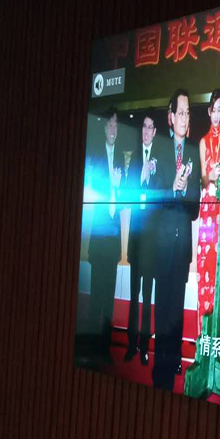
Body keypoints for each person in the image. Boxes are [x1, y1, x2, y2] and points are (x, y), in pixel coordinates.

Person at [152, 89, 201, 390]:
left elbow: (195, 210)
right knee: (163, 312)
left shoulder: (193, 151)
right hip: (161, 247)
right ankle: (160, 374)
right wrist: (171, 188)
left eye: (188, 112)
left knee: (176, 315)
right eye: (180, 112)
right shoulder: (159, 148)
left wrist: (184, 192)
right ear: (170, 117)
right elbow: (152, 198)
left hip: (182, 247)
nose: (184, 118)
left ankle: (171, 368)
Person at [81, 107, 123, 363]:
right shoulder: (95, 157)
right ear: (104, 128)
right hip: (99, 237)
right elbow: (92, 193)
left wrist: (118, 188)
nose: (113, 129)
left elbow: (123, 200)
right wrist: (110, 186)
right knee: (96, 295)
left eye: (116, 125)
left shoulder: (122, 160)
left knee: (108, 299)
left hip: (113, 237)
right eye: (110, 125)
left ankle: (104, 348)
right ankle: (90, 346)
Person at [123, 113, 166, 366]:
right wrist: (140, 175)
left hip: (151, 240)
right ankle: (130, 345)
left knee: (148, 297)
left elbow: (161, 195)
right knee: (133, 296)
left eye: (150, 127)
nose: (146, 131)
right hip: (136, 238)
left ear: (155, 131)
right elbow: (128, 194)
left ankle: (144, 347)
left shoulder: (159, 158)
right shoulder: (134, 159)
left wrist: (151, 175)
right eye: (144, 127)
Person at [196, 89, 220, 336]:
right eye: (213, 110)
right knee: (205, 263)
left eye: (219, 110)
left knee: (219, 267)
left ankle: (215, 330)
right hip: (207, 209)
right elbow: (203, 179)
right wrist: (211, 176)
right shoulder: (203, 142)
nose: (216, 115)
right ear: (208, 112)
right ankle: (202, 331)